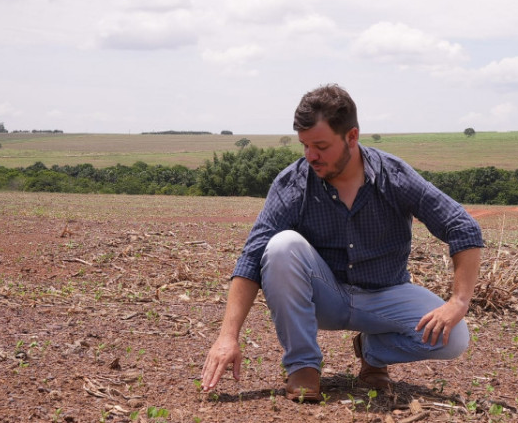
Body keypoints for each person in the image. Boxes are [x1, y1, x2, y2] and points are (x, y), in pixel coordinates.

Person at [201, 84, 484, 401]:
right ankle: (303, 366)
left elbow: (461, 226)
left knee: (454, 337)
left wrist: (459, 301)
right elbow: (252, 258)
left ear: (352, 137)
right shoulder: (293, 183)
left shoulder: (393, 176)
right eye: (305, 145)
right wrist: (228, 336)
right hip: (325, 295)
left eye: (320, 146)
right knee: (281, 246)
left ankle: (371, 351)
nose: (311, 156)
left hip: (385, 294)